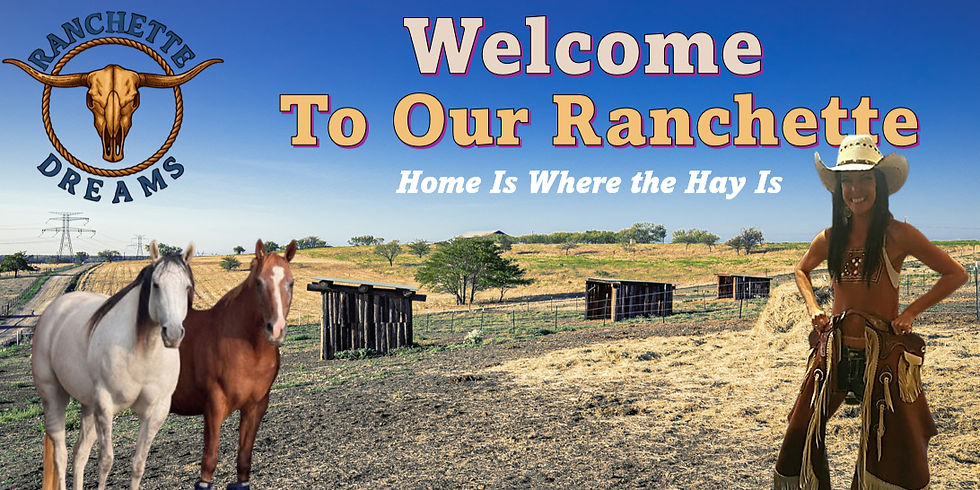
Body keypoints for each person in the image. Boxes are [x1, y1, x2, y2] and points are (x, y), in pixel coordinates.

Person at [773, 135, 968, 489]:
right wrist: (814, 307)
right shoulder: (829, 238)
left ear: (879, 184)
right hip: (835, 352)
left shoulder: (899, 235)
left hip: (884, 356)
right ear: (838, 189)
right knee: (801, 428)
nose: (855, 189)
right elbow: (801, 270)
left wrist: (911, 312)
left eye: (864, 179)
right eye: (847, 181)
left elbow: (956, 274)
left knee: (890, 444)